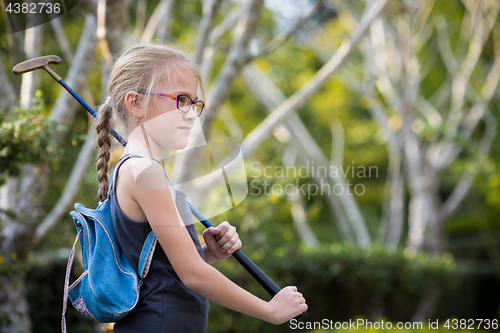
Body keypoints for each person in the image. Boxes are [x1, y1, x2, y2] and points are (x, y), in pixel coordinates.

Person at [94, 43, 307, 332]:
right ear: (136, 103)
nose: (192, 113)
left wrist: (207, 252)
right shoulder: (145, 171)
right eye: (181, 99)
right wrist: (270, 310)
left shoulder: (136, 168)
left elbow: (159, 268)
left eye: (196, 103)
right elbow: (192, 275)